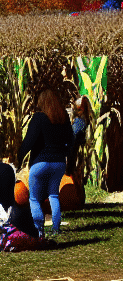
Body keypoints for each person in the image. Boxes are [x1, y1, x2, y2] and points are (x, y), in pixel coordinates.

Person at [20, 89, 74, 237]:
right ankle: (56, 229)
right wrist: (65, 155)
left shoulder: (38, 118)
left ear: (41, 103)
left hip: (40, 163)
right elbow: (71, 140)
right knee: (54, 196)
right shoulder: (63, 119)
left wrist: (19, 157)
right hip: (58, 163)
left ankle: (39, 230)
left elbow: (29, 141)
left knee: (34, 198)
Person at [70, 97, 91, 187]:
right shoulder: (85, 120)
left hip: (74, 150)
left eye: (75, 108)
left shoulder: (79, 122)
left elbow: (73, 136)